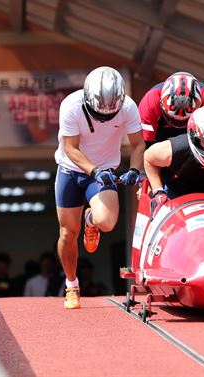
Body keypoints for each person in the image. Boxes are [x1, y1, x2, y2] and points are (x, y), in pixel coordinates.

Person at [54, 66, 144, 309]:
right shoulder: (71, 106)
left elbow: (138, 144)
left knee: (107, 222)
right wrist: (94, 170)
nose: (104, 118)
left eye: (110, 114)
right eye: (99, 114)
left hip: (104, 169)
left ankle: (91, 220)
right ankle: (72, 285)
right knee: (68, 233)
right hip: (72, 169)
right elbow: (71, 148)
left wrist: (134, 170)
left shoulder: (128, 107)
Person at [139, 71, 204, 148]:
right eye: (174, 118)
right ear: (161, 102)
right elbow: (145, 143)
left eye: (185, 119)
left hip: (197, 139)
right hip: (160, 140)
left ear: (200, 103)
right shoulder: (151, 100)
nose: (179, 122)